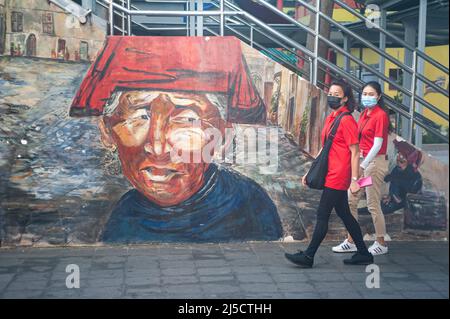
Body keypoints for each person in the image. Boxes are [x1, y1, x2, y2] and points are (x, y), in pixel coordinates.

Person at [69, 36, 282, 243]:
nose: (159, 147)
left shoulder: (251, 208)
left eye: (187, 119)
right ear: (107, 131)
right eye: (140, 116)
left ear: (222, 135)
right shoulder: (122, 217)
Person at [285, 79, 373, 268]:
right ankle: (364, 253)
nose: (332, 97)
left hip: (339, 174)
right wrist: (310, 171)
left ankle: (308, 257)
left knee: (322, 214)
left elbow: (355, 151)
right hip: (330, 171)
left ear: (345, 98)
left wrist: (355, 179)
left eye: (336, 95)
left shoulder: (347, 120)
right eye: (330, 94)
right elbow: (326, 147)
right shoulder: (331, 117)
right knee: (345, 214)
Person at [332, 81, 391, 256]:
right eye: (364, 94)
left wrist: (363, 165)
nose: (367, 97)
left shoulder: (380, 115)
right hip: (364, 163)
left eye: (371, 94)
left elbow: (377, 144)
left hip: (374, 165)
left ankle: (381, 243)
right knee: (351, 199)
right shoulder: (365, 113)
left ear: (379, 96)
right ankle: (352, 240)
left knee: (373, 203)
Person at [381, 140, 423, 214]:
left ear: (408, 158)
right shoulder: (396, 169)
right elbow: (387, 179)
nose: (398, 156)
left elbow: (411, 194)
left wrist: (396, 199)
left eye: (401, 155)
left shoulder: (414, 174)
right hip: (395, 202)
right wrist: (390, 197)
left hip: (406, 204)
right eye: (398, 154)